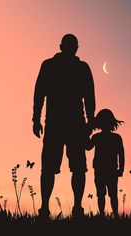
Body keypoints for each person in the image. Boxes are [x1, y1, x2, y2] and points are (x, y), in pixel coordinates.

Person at [32, 34, 95, 218]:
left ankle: (75, 208)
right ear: (63, 46)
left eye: (72, 45)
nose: (71, 48)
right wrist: (35, 119)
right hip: (58, 124)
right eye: (70, 45)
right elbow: (39, 94)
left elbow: (89, 97)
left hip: (70, 124)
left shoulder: (79, 68)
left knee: (76, 168)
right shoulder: (50, 65)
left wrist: (89, 122)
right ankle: (46, 208)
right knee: (52, 168)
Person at [86, 109, 125, 217]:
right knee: (107, 194)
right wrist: (120, 170)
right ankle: (110, 215)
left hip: (104, 170)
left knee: (105, 194)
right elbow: (121, 155)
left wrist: (121, 170)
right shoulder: (114, 138)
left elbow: (87, 146)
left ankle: (109, 215)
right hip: (106, 170)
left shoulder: (98, 137)